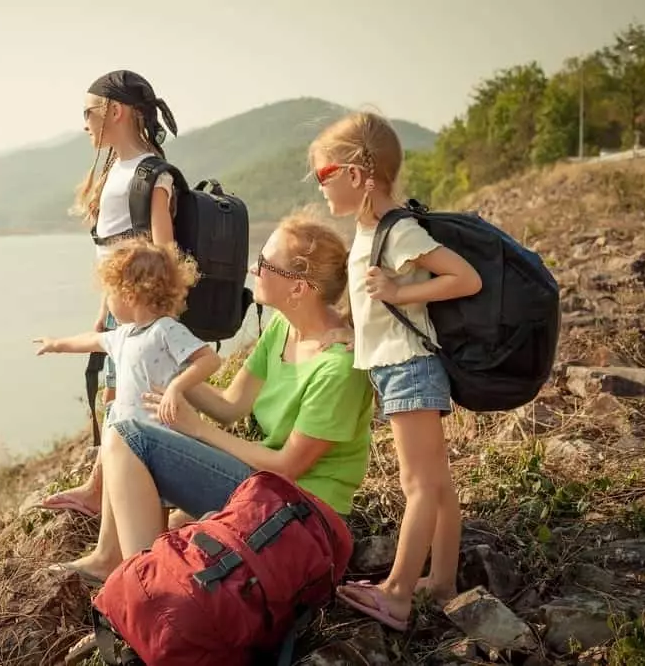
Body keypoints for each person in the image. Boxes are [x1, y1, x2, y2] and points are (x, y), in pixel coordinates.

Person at [55, 213, 375, 583]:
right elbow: (229, 406)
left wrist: (196, 430)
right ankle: (115, 560)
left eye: (266, 263)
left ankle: (146, 587)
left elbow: (287, 467)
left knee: (130, 436)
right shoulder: (283, 329)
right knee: (131, 430)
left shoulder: (337, 368)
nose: (254, 268)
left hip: (301, 514)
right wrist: (167, 373)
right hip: (264, 487)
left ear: (299, 288)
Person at [309, 111, 482, 631]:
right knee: (438, 483)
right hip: (395, 368)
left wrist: (402, 291)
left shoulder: (398, 229)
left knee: (419, 485)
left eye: (324, 175)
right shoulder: (369, 232)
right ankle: (443, 580)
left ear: (358, 175)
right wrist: (345, 330)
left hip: (408, 368)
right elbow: (376, 311)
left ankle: (400, 592)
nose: (321, 188)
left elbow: (465, 278)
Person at [38, 70, 180, 518]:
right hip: (120, 310)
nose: (84, 124)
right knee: (114, 399)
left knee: (130, 407)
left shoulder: (150, 174)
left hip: (141, 313)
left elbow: (164, 252)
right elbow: (111, 254)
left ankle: (122, 497)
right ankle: (99, 489)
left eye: (88, 112)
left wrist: (156, 320)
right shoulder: (116, 171)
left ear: (115, 111)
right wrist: (102, 311)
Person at [34, 238, 221, 429]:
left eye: (109, 294)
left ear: (129, 296)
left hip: (161, 431)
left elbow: (210, 360)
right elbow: (91, 339)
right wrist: (57, 344)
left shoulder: (165, 329)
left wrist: (176, 387)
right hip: (129, 432)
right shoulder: (123, 334)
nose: (107, 303)